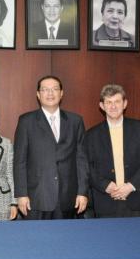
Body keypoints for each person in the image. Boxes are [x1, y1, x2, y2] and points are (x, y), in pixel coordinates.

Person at [14, 75, 89, 220]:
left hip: (68, 197)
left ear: (61, 93)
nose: (50, 93)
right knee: (36, 240)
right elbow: (20, 161)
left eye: (55, 89)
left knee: (65, 240)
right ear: (38, 94)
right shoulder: (26, 121)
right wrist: (21, 194)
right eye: (45, 90)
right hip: (36, 197)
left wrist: (82, 192)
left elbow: (81, 160)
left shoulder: (75, 121)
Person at [85, 84, 140, 218]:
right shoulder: (91, 135)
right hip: (105, 201)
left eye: (117, 101)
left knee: (136, 239)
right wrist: (105, 185)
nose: (113, 106)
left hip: (135, 199)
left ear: (125, 104)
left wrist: (130, 186)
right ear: (102, 106)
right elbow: (87, 167)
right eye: (108, 102)